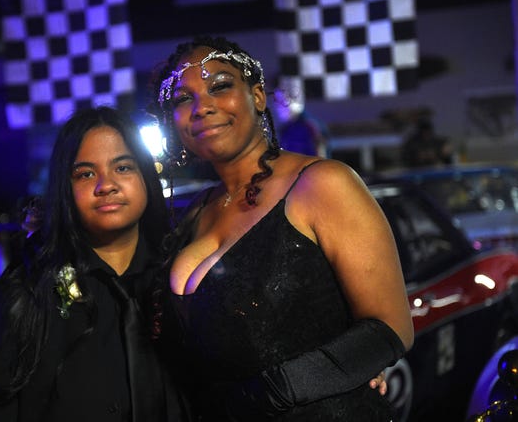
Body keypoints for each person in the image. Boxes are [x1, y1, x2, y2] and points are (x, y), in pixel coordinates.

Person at [146, 36, 414, 420]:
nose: (202, 107)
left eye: (219, 86)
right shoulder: (195, 210)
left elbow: (390, 330)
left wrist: (269, 394)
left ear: (257, 96)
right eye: (183, 99)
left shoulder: (322, 184)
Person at [0, 106, 187, 421]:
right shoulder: (27, 295)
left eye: (122, 167)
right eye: (86, 174)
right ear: (64, 189)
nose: (106, 185)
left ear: (146, 177)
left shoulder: (179, 279)